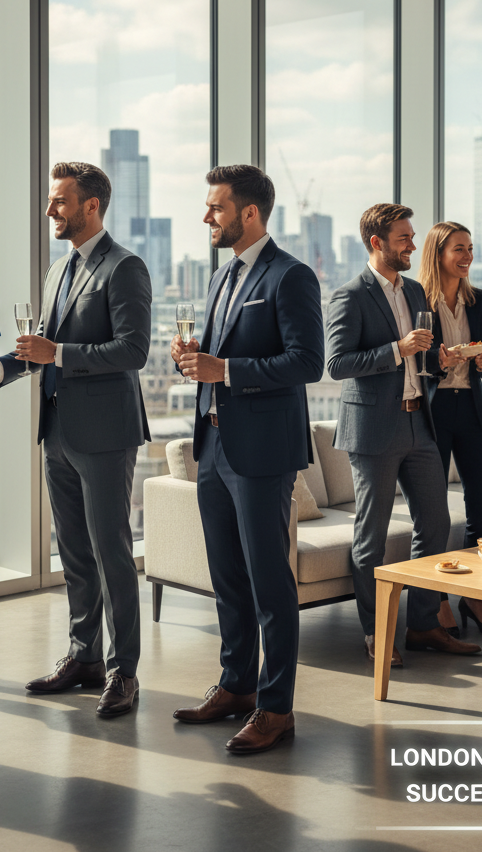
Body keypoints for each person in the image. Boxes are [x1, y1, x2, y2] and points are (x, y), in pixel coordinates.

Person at [0, 162, 151, 717]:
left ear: (91, 205)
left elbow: (133, 351)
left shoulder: (125, 268)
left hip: (105, 435)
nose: (51, 210)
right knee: (74, 553)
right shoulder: (58, 271)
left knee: (112, 553)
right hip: (59, 432)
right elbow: (41, 346)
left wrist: (61, 357)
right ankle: (84, 656)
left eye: (60, 201)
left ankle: (124, 672)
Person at [170, 164, 324, 755]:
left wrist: (226, 370)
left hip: (261, 453)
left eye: (216, 208)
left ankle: (276, 707)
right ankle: (236, 686)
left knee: (268, 581)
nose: (207, 217)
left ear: (249, 213)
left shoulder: (291, 277)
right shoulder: (221, 277)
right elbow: (223, 354)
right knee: (227, 577)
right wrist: (201, 357)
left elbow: (308, 363)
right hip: (213, 445)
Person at [327, 203, 480, 667]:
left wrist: (443, 359)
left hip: (419, 422)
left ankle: (423, 625)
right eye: (404, 239)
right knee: (370, 536)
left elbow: (423, 360)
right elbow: (337, 365)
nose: (413, 245)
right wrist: (398, 348)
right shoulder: (349, 296)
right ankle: (378, 633)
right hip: (374, 428)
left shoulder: (415, 291)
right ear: (377, 243)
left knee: (435, 525)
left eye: (412, 238)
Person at [418, 222, 482, 638]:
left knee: (481, 509)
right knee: (435, 513)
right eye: (458, 249)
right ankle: (437, 603)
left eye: (470, 248)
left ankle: (474, 596)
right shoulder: (417, 299)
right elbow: (416, 362)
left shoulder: (480, 299)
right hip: (433, 413)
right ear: (438, 254)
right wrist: (440, 361)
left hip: (471, 408)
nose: (467, 256)